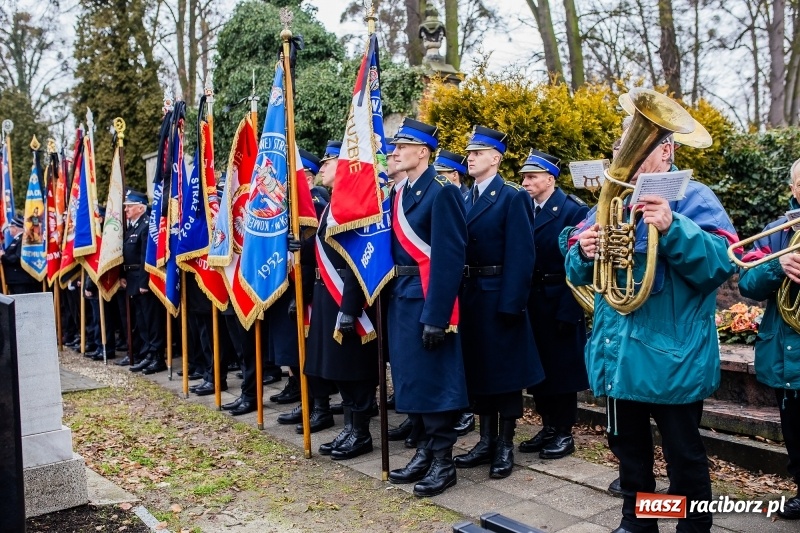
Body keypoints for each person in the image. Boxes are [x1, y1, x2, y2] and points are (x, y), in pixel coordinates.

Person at [564, 124, 738, 533]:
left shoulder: (696, 196)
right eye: (624, 147)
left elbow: (721, 264)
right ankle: (639, 522)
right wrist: (584, 252)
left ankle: (692, 527)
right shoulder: (615, 199)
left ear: (667, 151)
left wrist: (674, 227)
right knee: (631, 453)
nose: (629, 157)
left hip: (671, 355)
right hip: (619, 353)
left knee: (683, 455)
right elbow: (575, 268)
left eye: (640, 148)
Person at [453, 126, 543, 480]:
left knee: (505, 375)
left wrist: (512, 303)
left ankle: (505, 444)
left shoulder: (511, 197)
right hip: (471, 294)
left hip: (498, 294)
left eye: (478, 152)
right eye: (469, 152)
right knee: (479, 371)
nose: (470, 157)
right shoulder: (463, 198)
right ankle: (485, 439)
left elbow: (523, 254)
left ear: (496, 158)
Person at [385, 118, 468, 498]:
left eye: (403, 146)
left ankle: (443, 461)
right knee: (409, 378)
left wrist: (437, 315)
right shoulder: (399, 194)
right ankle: (423, 450)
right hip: (401, 297)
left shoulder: (441, 192)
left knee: (434, 381)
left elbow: (450, 257)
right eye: (394, 146)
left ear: (423, 152)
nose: (395, 151)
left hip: (427, 300)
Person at [304, 145, 378, 460]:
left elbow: (355, 261)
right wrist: (302, 246)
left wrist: (350, 307)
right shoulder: (332, 204)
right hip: (326, 295)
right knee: (335, 367)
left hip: (345, 296)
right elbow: (325, 251)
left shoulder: (352, 204)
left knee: (353, 367)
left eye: (328, 161)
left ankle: (361, 433)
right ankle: (349, 427)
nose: (322, 167)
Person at [737, 157, 800, 520]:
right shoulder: (779, 229)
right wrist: (778, 265)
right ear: (792, 189)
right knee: (795, 432)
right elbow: (747, 283)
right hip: (788, 350)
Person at [517, 149, 589, 460]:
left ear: (550, 178)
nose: (526, 182)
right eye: (524, 176)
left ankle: (563, 431)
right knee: (539, 368)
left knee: (562, 370)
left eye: (532, 176)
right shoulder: (526, 207)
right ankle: (547, 426)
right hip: (532, 299)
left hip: (560, 297)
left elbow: (578, 264)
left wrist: (569, 310)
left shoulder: (572, 210)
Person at [122, 190, 167, 375]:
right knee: (141, 320)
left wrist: (144, 282)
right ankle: (148, 354)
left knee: (151, 320)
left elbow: (144, 257)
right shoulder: (133, 226)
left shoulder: (146, 226)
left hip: (143, 280)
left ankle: (157, 357)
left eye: (129, 206)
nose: (126, 210)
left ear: (141, 207)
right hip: (132, 279)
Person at [1, 214, 41, 294]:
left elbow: (17, 257)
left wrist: (3, 256)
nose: (9, 229)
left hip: (21, 279)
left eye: (10, 227)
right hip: (15, 279)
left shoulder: (23, 240)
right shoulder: (16, 240)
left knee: (22, 303)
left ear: (15, 228)